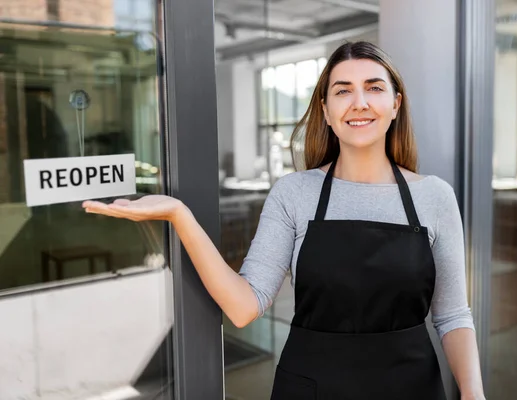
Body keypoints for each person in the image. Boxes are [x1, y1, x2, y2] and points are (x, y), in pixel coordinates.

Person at [83, 41, 485, 399]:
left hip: (411, 388)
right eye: (343, 91)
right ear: (326, 112)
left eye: (374, 88)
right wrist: (179, 214)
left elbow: (452, 315)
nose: (359, 102)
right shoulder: (294, 193)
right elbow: (244, 307)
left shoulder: (434, 196)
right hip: (311, 387)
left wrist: (473, 393)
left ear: (395, 104)